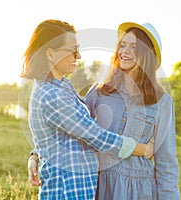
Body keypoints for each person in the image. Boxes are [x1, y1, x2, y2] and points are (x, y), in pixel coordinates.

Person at [21, 19, 154, 200]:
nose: (79, 56)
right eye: (72, 51)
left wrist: (36, 154)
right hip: (66, 191)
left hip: (79, 190)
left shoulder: (62, 87)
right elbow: (95, 135)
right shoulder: (51, 95)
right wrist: (141, 149)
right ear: (50, 54)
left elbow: (67, 130)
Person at [85, 22, 180, 199]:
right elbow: (71, 125)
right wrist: (36, 155)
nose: (125, 51)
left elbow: (166, 163)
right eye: (123, 45)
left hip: (139, 190)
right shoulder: (100, 91)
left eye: (134, 47)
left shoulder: (162, 102)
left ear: (147, 55)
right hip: (100, 184)